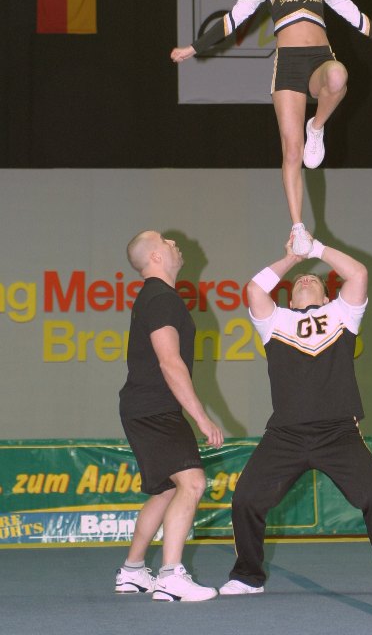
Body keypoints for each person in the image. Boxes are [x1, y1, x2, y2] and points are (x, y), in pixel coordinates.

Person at [171, 0, 372, 257]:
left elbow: (357, 17)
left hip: (319, 59)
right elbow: (232, 19)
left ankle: (317, 126)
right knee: (291, 150)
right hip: (287, 66)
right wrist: (193, 48)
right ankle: (298, 227)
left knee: (338, 75)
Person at [218, 230, 372, 596]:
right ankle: (247, 576)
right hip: (285, 435)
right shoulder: (274, 321)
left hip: (338, 433)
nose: (306, 279)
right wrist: (293, 257)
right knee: (246, 498)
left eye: (314, 279)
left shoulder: (342, 314)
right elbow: (254, 290)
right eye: (298, 281)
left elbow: (358, 274)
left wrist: (317, 248)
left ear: (328, 297)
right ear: (289, 299)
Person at [115, 230, 224, 602]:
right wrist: (201, 418)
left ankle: (132, 571)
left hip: (142, 406)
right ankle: (170, 576)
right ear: (155, 257)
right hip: (155, 408)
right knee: (192, 483)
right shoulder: (162, 298)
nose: (175, 243)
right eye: (165, 241)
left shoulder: (153, 297)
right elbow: (169, 362)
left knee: (166, 490)